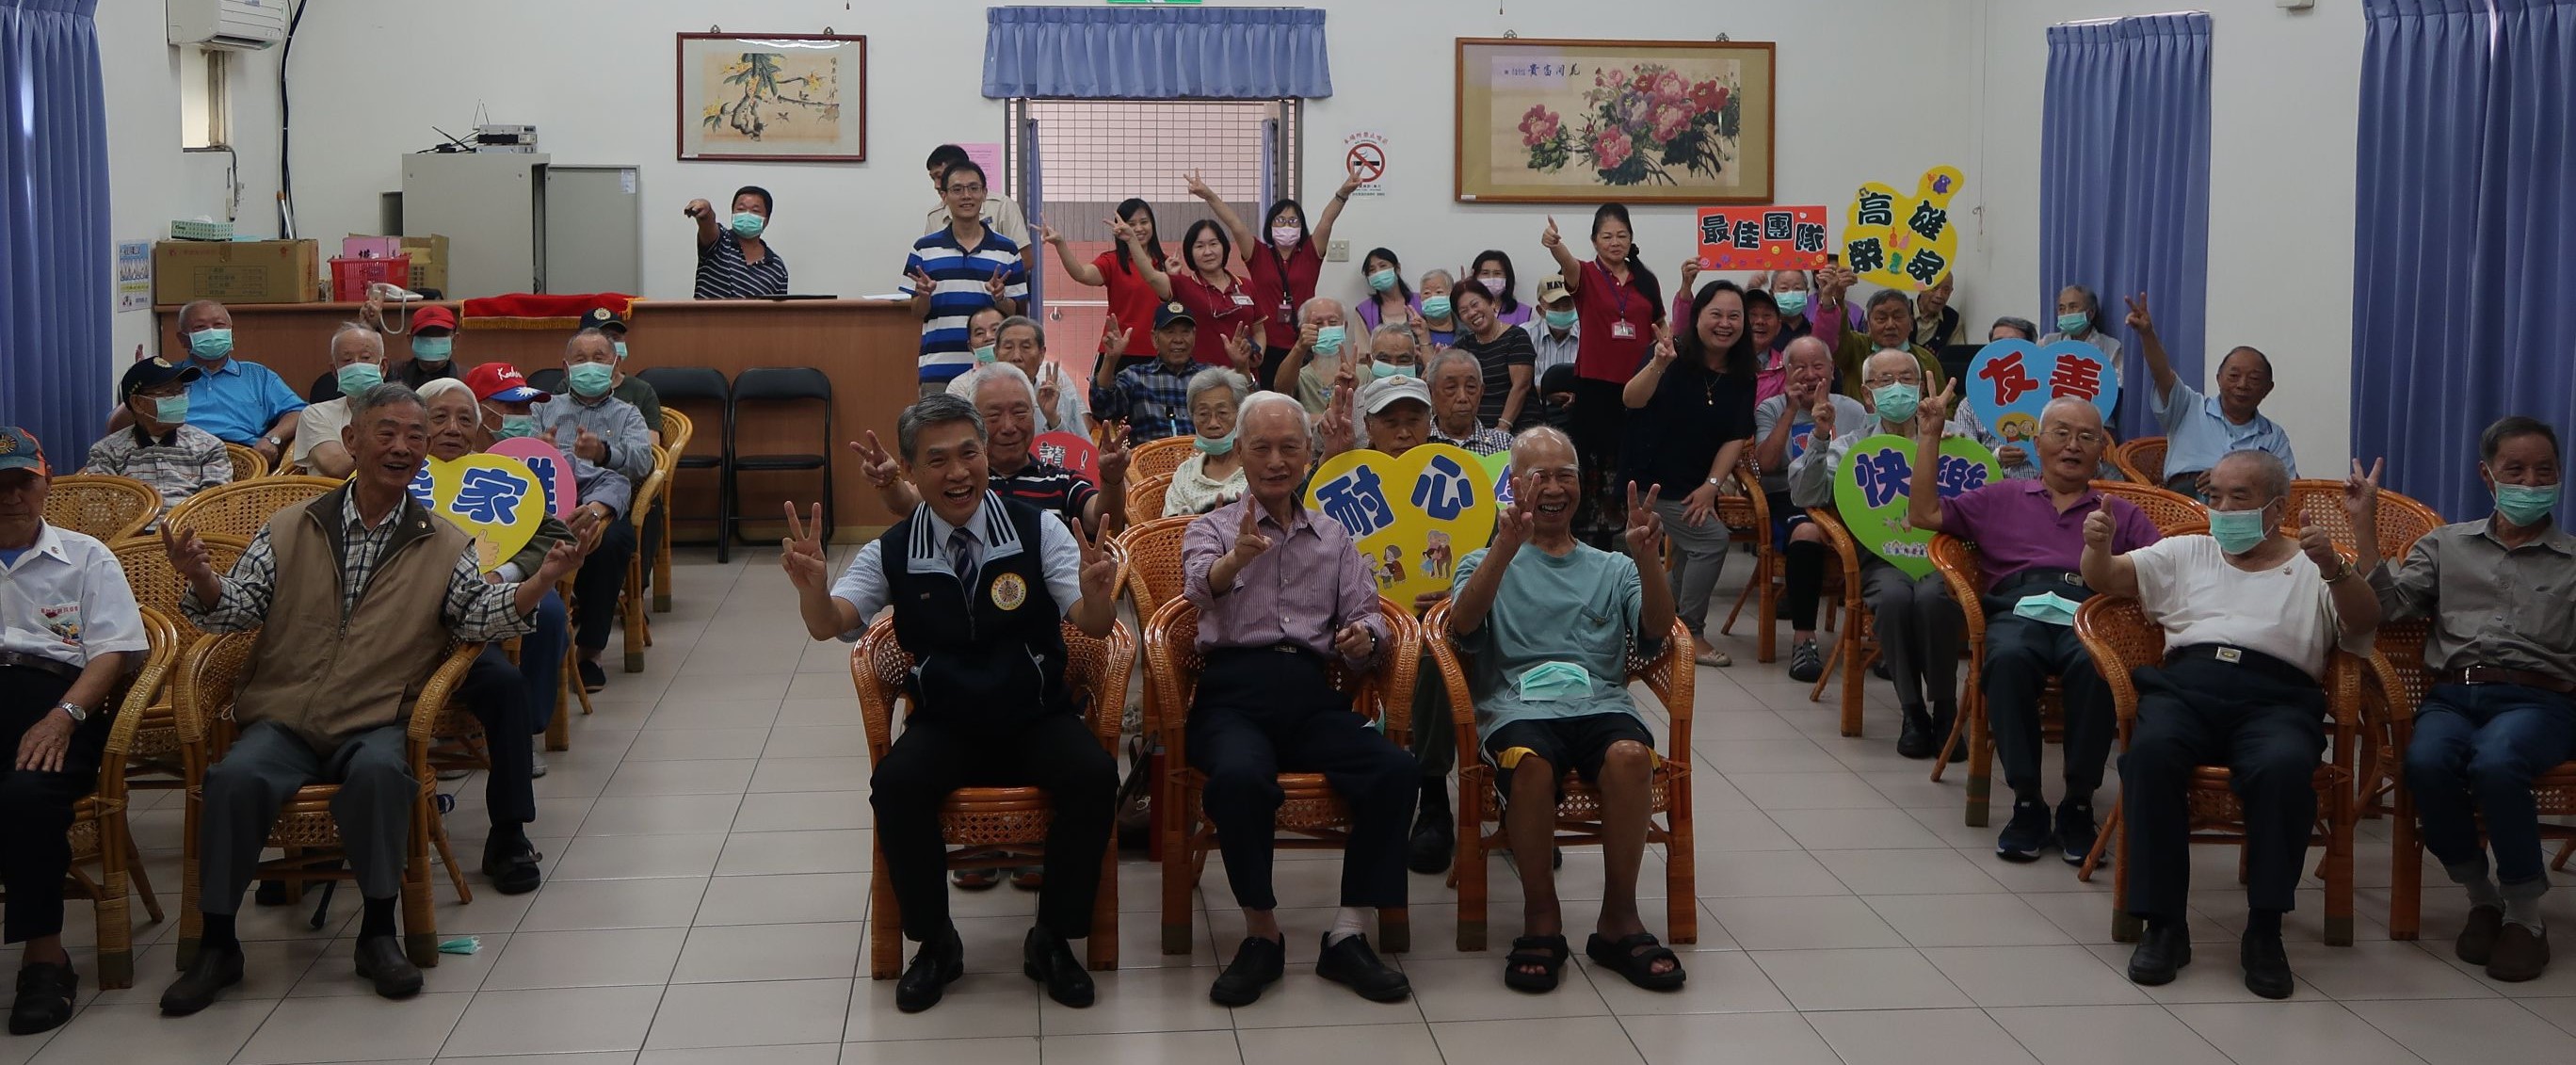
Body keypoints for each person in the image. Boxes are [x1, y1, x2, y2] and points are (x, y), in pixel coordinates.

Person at [156, 383, 579, 1013]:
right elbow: (235, 611)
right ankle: (219, 943)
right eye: (386, 433)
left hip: (377, 715)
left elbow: (479, 616)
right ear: (351, 441)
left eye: (415, 436)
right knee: (232, 778)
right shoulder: (291, 527)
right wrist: (199, 575)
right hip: (284, 714)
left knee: (385, 775)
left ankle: (379, 932)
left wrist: (541, 579)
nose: (402, 447)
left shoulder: (443, 540)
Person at [781, 394, 1120, 1013]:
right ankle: (936, 941)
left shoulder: (1036, 528)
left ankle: (1051, 937)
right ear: (910, 471)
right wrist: (811, 590)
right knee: (896, 785)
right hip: (948, 719)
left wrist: (1100, 593)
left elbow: (1092, 624)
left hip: (1034, 712)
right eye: (938, 460)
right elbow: (832, 622)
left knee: (1095, 777)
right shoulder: (892, 547)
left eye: (970, 452)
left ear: (987, 454)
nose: (959, 471)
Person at [2088, 449, 2377, 999]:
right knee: (2149, 757)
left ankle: (2265, 930)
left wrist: (2337, 568)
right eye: (2214, 495)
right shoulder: (2187, 551)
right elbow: (2106, 576)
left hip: (2277, 699)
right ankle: (2164, 924)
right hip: (2186, 687)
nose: (2221, 507)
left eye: (2238, 497)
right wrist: (2097, 546)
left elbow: (2365, 622)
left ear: (2277, 507)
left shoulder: (2314, 563)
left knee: (2285, 768)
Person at [1183, 394, 1414, 1007]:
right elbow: (1198, 587)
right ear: (1240, 453)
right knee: (1237, 779)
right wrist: (1236, 559)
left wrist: (1363, 637)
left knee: (1394, 770)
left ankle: (1347, 933)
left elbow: (1368, 618)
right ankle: (1262, 933)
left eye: (1290, 446)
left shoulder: (1336, 537)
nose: (1276, 460)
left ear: (1309, 455)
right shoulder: (1211, 524)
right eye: (1261, 447)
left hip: (1312, 693)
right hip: (1231, 693)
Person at [1450, 428, 1684, 992]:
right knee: (1529, 763)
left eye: (1566, 476)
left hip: (1600, 703)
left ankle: (1618, 919)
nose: (1553, 488)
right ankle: (1541, 917)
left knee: (1631, 756)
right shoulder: (1484, 559)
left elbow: (1657, 628)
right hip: (1516, 707)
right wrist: (1505, 551)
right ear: (1513, 485)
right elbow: (1461, 625)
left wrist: (1648, 558)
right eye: (1539, 476)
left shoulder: (1611, 567)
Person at [1906, 395, 2161, 863]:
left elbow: (2164, 571)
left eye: (2087, 437)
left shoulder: (2119, 512)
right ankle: (2026, 801)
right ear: (2037, 442)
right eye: (2061, 433)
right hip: (2018, 608)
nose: (2072, 446)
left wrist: (2111, 562)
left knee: (2097, 668)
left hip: (2090, 611)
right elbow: (1922, 515)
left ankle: (2079, 804)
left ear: (2101, 450)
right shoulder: (2001, 497)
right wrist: (1929, 436)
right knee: (2006, 661)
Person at [2372, 417, 2572, 982]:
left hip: (2541, 701)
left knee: (2497, 760)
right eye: (2516, 470)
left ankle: (2527, 918)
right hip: (2455, 697)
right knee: (2426, 763)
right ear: (2488, 477)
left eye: (2545, 471)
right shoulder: (2445, 544)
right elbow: (2389, 610)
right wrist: (2364, 537)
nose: (2531, 482)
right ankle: (2482, 897)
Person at [0, 428, 148, 1035]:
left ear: (45, 482)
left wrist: (63, 717)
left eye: (21, 483)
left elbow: (111, 655)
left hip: (61, 701)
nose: (10, 497)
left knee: (26, 795)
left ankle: (45, 958)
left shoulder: (87, 556)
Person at [429, 371, 592, 887]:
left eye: (465, 419)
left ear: (480, 433)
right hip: (383, 632)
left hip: (464, 626)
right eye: (438, 418)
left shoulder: (500, 482)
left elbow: (552, 533)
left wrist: (508, 572)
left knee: (505, 684)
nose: (453, 429)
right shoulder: (391, 482)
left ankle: (508, 833)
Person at [1790, 350, 1978, 758]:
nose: (1899, 388)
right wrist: (1819, 436)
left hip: (1939, 558)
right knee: (1893, 601)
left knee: (1933, 598)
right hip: (1881, 559)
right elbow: (1807, 496)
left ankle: (1945, 709)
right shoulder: (1850, 447)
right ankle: (1912, 712)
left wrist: (1947, 445)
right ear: (1868, 396)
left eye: (1907, 378)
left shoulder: (1951, 442)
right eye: (1885, 380)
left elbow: (1980, 499)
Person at [1622, 282, 1757, 668]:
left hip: (1694, 482)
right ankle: (1691, 632)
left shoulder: (1743, 371)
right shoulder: (1667, 353)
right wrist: (1659, 364)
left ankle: (1656, 624)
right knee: (1712, 541)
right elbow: (1631, 400)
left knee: (1690, 553)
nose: (1725, 324)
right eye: (1716, 314)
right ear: (1697, 316)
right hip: (1650, 480)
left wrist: (1710, 487)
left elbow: (1736, 436)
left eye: (1735, 316)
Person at [869, 363, 1129, 541]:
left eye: (1019, 413)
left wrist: (1113, 479)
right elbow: (907, 503)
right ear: (974, 423)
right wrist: (889, 481)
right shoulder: (961, 481)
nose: (1009, 427)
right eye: (993, 415)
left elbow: (1104, 518)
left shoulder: (1061, 481)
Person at [531, 331, 652, 693]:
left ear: (615, 366)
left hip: (604, 504)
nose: (590, 365)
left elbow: (643, 462)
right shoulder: (542, 408)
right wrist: (541, 451)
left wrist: (602, 453)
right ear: (566, 368)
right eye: (580, 359)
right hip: (548, 500)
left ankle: (590, 652)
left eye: (599, 358)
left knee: (612, 542)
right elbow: (513, 458)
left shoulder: (627, 413)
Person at [1541, 205, 1666, 542]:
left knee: (1634, 458)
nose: (1615, 242)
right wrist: (1554, 244)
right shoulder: (1585, 274)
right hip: (1596, 385)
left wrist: (1667, 352)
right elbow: (1567, 263)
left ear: (1631, 239)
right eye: (1607, 236)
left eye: (1622, 235)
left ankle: (1632, 537)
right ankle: (1584, 535)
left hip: (1640, 384)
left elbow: (1660, 325)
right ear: (1595, 241)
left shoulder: (1646, 280)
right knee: (1593, 461)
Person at [1752, 338, 1867, 683]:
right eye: (1799, 367)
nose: (1809, 375)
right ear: (1786, 372)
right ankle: (1804, 641)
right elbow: (1766, 464)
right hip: (1790, 497)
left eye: (1818, 366)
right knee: (1806, 532)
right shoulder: (1770, 408)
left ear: (1832, 371)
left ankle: (1879, 638)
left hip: (1844, 497)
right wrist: (1791, 410)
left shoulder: (1853, 410)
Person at [1191, 165, 1364, 386]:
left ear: (1301, 226)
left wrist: (1343, 193)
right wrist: (1208, 195)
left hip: (1303, 343)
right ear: (1269, 225)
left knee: (1300, 400)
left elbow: (1326, 221)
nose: (1286, 225)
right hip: (1266, 345)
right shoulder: (1258, 253)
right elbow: (1235, 224)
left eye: (1293, 221)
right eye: (1280, 220)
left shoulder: (1311, 253)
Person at [2125, 293, 2296, 495]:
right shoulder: (2189, 407)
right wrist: (2147, 334)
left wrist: (2230, 477)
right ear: (2219, 378)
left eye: (2254, 379)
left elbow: (2289, 489)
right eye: (2234, 376)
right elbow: (2161, 373)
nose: (2242, 384)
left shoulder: (2273, 436)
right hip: (2187, 501)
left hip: (2246, 507)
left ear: (2268, 388)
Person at [131, 300, 304, 465]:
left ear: (231, 332)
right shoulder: (168, 377)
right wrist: (140, 385)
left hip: (247, 457)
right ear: (182, 339)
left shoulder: (258, 375)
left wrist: (272, 438)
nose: (211, 332)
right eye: (200, 327)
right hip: (179, 457)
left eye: (219, 325)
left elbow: (298, 412)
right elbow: (117, 425)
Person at [907, 161, 1028, 395]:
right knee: (938, 432)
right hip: (939, 368)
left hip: (993, 371)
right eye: (957, 189)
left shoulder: (1008, 250)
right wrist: (924, 296)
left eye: (974, 188)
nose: (966, 196)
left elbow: (1014, 313)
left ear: (984, 193)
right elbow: (917, 313)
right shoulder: (923, 249)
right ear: (944, 196)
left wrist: (1000, 298)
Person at [81, 356, 227, 510]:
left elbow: (214, 506)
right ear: (138, 403)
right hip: (131, 532)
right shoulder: (107, 451)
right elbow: (100, 510)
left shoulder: (208, 446)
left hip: (192, 531)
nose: (180, 399)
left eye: (181, 391)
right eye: (169, 393)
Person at [1096, 301, 1245, 444]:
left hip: (1204, 462)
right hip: (1151, 465)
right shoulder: (1135, 376)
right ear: (1155, 338)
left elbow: (1247, 411)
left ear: (1194, 336)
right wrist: (1110, 360)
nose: (1178, 339)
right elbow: (1102, 407)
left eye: (1185, 332)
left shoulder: (1210, 376)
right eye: (1170, 332)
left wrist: (1242, 366)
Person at [1044, 198, 1166, 365]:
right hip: (1116, 353)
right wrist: (1060, 244)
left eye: (1144, 222)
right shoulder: (1112, 261)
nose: (1138, 229)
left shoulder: (1167, 264)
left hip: (1160, 353)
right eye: (1131, 223)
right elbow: (1081, 274)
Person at [1141, 217, 1264, 368]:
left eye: (1213, 244)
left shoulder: (1245, 285)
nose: (1208, 252)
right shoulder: (1183, 285)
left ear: (1224, 247)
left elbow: (1259, 331)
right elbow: (1151, 277)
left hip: (1244, 378)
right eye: (1199, 246)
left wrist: (1259, 355)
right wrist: (1131, 241)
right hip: (1202, 382)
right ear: (1190, 253)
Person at [948, 315, 1088, 436]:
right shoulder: (978, 401)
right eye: (1008, 347)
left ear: (1041, 354)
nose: (1016, 357)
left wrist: (1053, 419)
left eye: (1026, 347)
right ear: (996, 353)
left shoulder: (1062, 402)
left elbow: (1083, 457)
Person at [305, 302, 462, 403]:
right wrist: (369, 327)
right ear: (410, 339)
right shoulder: (391, 373)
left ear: (454, 341)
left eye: (439, 336)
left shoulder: (466, 379)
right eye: (425, 336)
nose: (431, 342)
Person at [1813, 280, 1946, 398]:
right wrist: (1836, 298)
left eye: (1898, 317)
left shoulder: (1927, 360)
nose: (1890, 325)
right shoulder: (1855, 347)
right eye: (1881, 319)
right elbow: (1835, 336)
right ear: (1868, 325)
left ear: (1911, 323)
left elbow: (1946, 403)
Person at [923, 144, 1035, 273]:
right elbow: (927, 263)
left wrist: (987, 283)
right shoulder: (935, 215)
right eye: (933, 178)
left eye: (939, 176)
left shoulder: (1001, 206)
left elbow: (1026, 259)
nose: (937, 185)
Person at [295, 324, 388, 477]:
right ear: (335, 372)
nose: (357, 365)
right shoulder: (317, 414)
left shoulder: (405, 412)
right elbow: (337, 468)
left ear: (383, 367)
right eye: (347, 360)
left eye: (365, 358)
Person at [1449, 282, 1536, 431]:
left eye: (1475, 304)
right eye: (1464, 311)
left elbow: (1521, 386)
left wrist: (1503, 427)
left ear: (1491, 302)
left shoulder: (1517, 336)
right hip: (1478, 432)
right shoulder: (1463, 346)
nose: (1472, 313)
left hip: (1519, 429)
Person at [1165, 369, 1250, 517]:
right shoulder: (1185, 473)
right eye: (1203, 414)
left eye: (1222, 413)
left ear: (1241, 415)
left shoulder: (1257, 466)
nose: (1213, 423)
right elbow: (1169, 531)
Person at [577, 308, 665, 441]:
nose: (609, 344)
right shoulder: (567, 388)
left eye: (615, 337)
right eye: (600, 338)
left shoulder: (641, 390)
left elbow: (651, 447)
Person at [688, 186, 789, 299]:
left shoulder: (777, 267)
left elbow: (778, 314)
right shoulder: (719, 240)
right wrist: (706, 211)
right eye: (741, 209)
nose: (747, 215)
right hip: (707, 317)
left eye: (755, 211)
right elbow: (708, 224)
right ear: (732, 213)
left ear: (767, 220)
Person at [1270, 300, 1364, 415]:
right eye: (1318, 323)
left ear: (1344, 327)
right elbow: (1281, 389)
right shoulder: (1299, 376)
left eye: (1333, 322)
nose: (1326, 328)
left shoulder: (1364, 373)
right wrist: (1300, 346)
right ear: (1303, 330)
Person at [1425, 349, 1512, 457]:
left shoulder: (1505, 445)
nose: (1463, 397)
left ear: (1481, 391)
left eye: (1470, 387)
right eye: (1451, 387)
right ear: (1431, 392)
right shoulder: (1419, 442)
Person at [2041, 284, 2122, 373]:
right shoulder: (2047, 343)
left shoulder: (2112, 348)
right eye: (2061, 308)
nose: (2066, 313)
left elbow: (2117, 383)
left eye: (2073, 307)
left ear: (2091, 313)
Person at [1521, 273, 1581, 379]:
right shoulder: (1524, 335)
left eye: (1567, 305)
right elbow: (1519, 383)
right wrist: (1546, 390)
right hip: (1537, 396)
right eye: (1555, 306)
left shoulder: (1587, 334)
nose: (1562, 311)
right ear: (1540, 311)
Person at [1742, 287, 1790, 403]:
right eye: (1752, 314)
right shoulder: (1720, 361)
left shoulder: (1787, 368)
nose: (1760, 321)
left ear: (1778, 326)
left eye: (1767, 315)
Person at [1353, 247, 1416, 334]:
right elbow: (1363, 346)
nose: (1378, 273)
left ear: (1397, 268)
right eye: (1372, 270)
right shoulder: (1363, 310)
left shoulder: (1420, 301)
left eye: (1383, 266)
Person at [1467, 250, 1534, 329]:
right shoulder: (1467, 311)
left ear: (1508, 278)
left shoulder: (1523, 313)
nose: (1491, 278)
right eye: (1485, 273)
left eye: (1497, 273)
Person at [1412, 270, 1460, 348]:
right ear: (1420, 298)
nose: (1432, 297)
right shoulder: (1411, 332)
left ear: (1452, 295)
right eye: (1427, 293)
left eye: (1439, 292)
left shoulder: (1467, 327)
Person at [1913, 274, 1962, 350]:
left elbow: (1956, 356)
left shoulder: (1952, 319)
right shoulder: (1902, 310)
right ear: (1920, 287)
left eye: (1946, 290)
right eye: (1934, 288)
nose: (1939, 295)